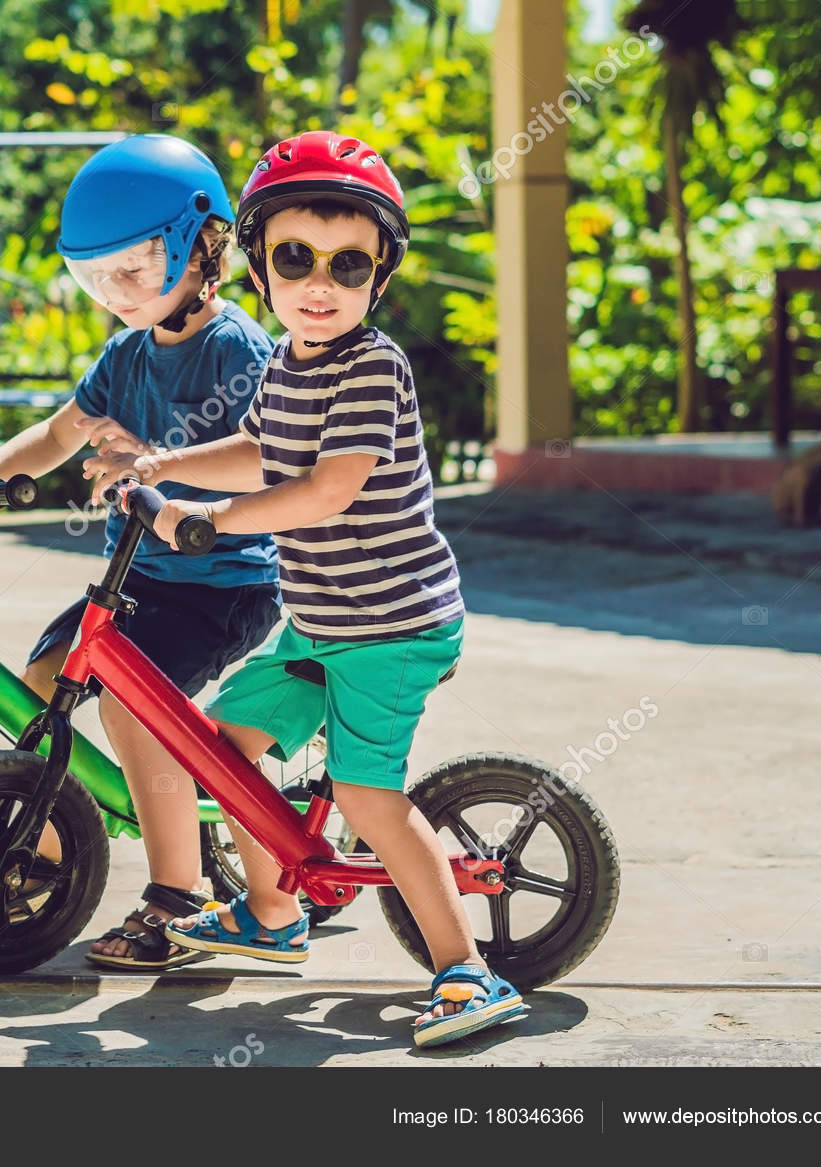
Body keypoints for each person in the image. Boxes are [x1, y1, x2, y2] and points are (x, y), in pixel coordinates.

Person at [90, 131, 526, 1046]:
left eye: (348, 263)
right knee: (223, 753)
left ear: (379, 277)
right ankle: (272, 915)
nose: (319, 282)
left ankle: (468, 972)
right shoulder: (287, 363)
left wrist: (203, 522)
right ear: (258, 267)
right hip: (321, 620)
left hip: (393, 627)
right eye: (295, 258)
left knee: (367, 797)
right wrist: (165, 465)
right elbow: (258, 452)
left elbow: (328, 486)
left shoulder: (372, 367)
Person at [0, 134, 281, 969]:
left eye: (135, 270)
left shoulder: (240, 352)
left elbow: (267, 460)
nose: (115, 294)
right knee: (44, 680)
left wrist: (162, 471)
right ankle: (43, 856)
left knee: (131, 703)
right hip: (137, 579)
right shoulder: (125, 354)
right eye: (97, 276)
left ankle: (178, 900)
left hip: (222, 582)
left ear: (202, 247)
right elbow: (56, 434)